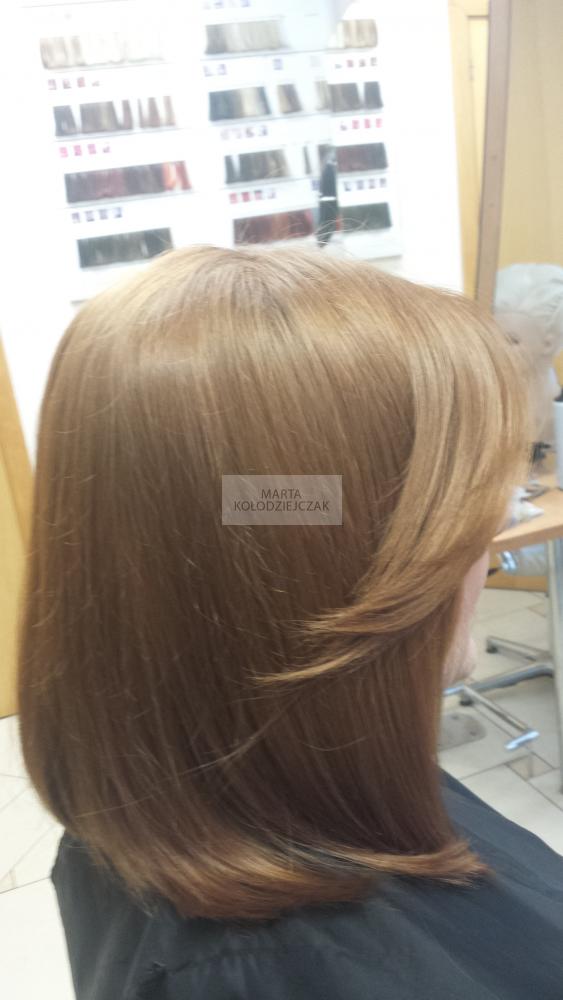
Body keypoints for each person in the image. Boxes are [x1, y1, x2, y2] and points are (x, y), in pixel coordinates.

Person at [18, 247, 563, 1000]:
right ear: (327, 571)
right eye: (459, 507)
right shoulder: (269, 974)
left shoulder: (276, 783)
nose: (491, 536)